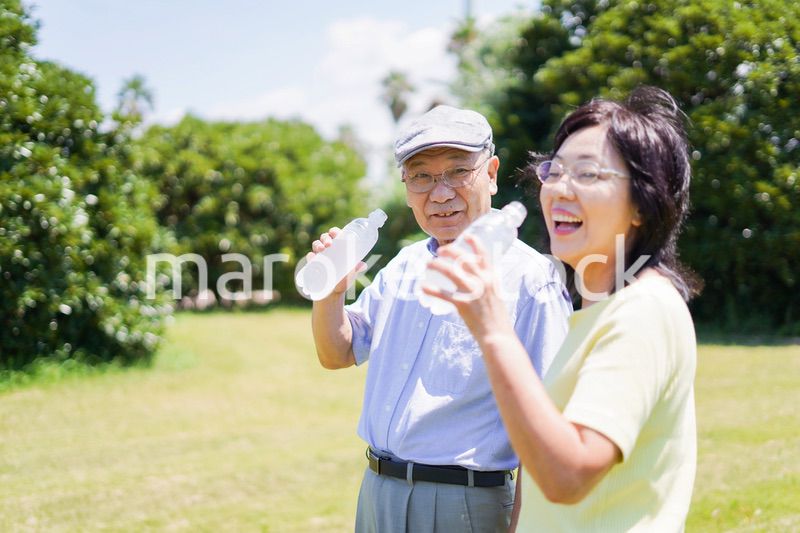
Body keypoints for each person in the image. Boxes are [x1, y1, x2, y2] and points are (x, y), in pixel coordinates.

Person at [424, 86, 701, 531]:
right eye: (555, 171)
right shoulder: (598, 311)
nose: (558, 189)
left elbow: (568, 475)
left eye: (588, 175)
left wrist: (493, 330)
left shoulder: (643, 310)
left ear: (644, 204)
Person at [307, 105, 572, 532]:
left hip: (466, 504)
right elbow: (336, 353)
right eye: (422, 176)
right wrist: (331, 294)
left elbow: (550, 426)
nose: (441, 193)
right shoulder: (405, 264)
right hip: (377, 494)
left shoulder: (530, 278)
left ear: (491, 172)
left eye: (457, 172)